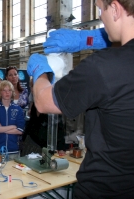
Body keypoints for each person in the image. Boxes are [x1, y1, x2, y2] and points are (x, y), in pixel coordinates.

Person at [27, 0, 134, 198]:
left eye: (102, 9)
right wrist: (90, 38)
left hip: (104, 188)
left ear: (117, 9)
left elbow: (43, 101)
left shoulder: (103, 68)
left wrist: (39, 70)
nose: (101, 16)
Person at [0, 81, 25, 160]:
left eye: (9, 90)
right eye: (4, 90)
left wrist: (2, 129)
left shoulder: (18, 109)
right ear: (0, 92)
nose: (7, 93)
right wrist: (13, 126)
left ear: (12, 92)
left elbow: (20, 130)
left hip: (14, 151)